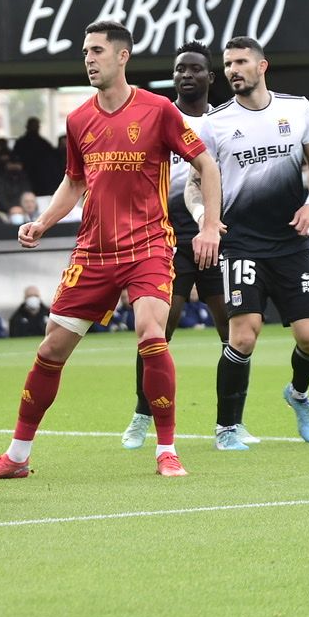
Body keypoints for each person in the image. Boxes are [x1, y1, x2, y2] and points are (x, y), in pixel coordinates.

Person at [0, 21, 222, 483]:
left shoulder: (158, 110)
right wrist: (43, 222)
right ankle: (16, 455)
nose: (88, 59)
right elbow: (74, 181)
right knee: (51, 349)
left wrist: (210, 225)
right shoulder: (78, 119)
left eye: (96, 51)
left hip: (148, 245)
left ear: (122, 56)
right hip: (92, 252)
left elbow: (206, 164)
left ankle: (166, 450)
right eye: (85, 52)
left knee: (151, 333)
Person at [198, 37, 309, 448]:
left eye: (240, 62)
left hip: (291, 242)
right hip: (242, 243)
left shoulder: (296, 108)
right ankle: (226, 427)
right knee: (243, 335)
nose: (233, 70)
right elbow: (202, 180)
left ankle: (299, 395)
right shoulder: (215, 122)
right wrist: (208, 221)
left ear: (262, 66)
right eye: (228, 64)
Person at [119, 41, 233, 451]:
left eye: (195, 69)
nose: (186, 75)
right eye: (180, 69)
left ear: (210, 77)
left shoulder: (223, 123)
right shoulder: (158, 116)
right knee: (159, 329)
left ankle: (230, 423)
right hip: (167, 234)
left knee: (233, 330)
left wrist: (217, 222)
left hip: (217, 233)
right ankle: (141, 415)